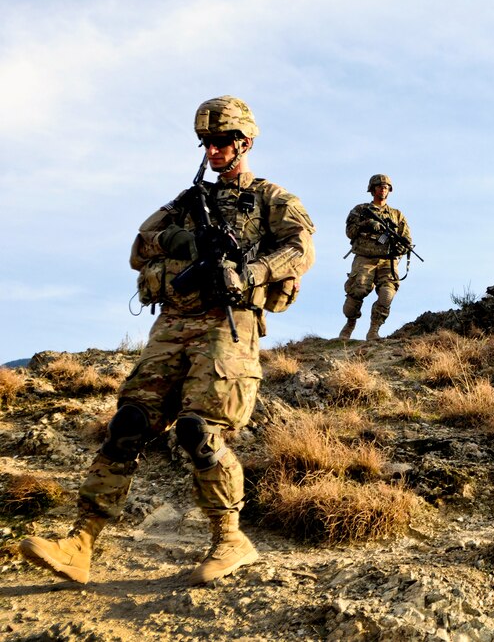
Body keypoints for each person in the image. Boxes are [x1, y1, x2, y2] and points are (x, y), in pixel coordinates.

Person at [20, 96, 316, 585]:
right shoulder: (185, 202)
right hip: (172, 326)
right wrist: (187, 242)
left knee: (201, 432)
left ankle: (230, 540)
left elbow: (300, 246)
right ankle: (81, 544)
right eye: (206, 142)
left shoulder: (272, 199)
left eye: (221, 141)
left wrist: (254, 271)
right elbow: (141, 245)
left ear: (244, 142)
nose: (213, 149)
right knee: (128, 424)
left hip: (228, 325)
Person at [339, 174, 412, 341]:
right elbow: (349, 232)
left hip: (388, 259)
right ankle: (350, 323)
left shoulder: (396, 215)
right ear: (372, 189)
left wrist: (402, 245)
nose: (383, 188)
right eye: (379, 186)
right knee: (357, 291)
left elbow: (406, 238)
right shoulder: (360, 210)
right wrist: (367, 224)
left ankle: (374, 330)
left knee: (387, 294)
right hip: (365, 258)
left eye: (386, 186)